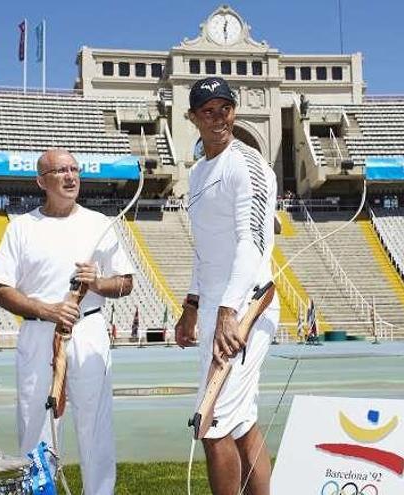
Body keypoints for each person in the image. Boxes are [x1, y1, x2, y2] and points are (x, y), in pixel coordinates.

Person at [0, 148, 135, 495]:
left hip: (89, 330)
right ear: (42, 181)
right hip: (40, 333)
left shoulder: (99, 223)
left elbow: (125, 282)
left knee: (95, 424)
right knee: (36, 423)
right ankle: (39, 490)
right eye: (60, 171)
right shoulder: (21, 228)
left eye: (74, 170)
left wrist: (97, 283)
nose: (70, 177)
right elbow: (2, 290)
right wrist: (47, 310)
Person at [175, 77, 280, 495]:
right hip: (218, 307)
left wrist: (228, 312)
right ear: (193, 118)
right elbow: (204, 249)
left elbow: (251, 243)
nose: (218, 119)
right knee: (240, 424)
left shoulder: (248, 163)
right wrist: (192, 305)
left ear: (234, 112)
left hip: (246, 309)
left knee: (211, 422)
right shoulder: (199, 172)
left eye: (225, 109)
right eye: (208, 111)